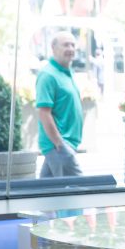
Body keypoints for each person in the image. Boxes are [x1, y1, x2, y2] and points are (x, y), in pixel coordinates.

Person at [36, 31, 84, 178]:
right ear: (54, 48)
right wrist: (60, 144)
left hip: (62, 146)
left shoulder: (66, 72)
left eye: (72, 45)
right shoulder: (48, 75)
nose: (70, 48)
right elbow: (44, 113)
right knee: (79, 192)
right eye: (65, 45)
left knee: (46, 193)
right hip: (59, 147)